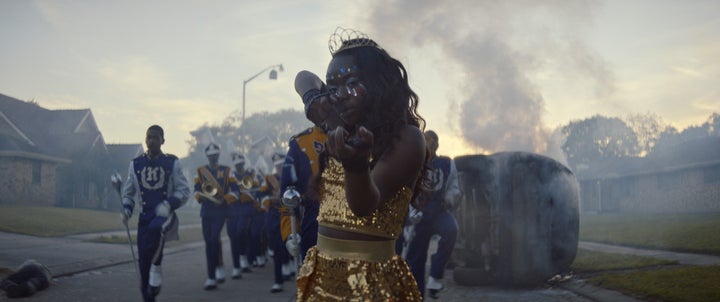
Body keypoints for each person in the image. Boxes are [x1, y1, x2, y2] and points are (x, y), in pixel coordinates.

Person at [295, 27, 427, 301]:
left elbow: (364, 205)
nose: (339, 94)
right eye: (333, 87)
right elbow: (303, 77)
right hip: (320, 280)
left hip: (370, 285)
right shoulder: (340, 124)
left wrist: (355, 167)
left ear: (379, 85)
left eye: (350, 83)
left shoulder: (408, 139)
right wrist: (313, 101)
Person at [121, 125, 190, 302]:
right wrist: (127, 209)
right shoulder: (135, 164)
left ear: (163, 141)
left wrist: (169, 204)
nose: (151, 141)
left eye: (156, 138)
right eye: (149, 137)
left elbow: (184, 191)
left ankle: (157, 267)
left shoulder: (171, 163)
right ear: (145, 139)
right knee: (143, 263)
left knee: (156, 228)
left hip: (164, 216)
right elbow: (128, 192)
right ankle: (148, 296)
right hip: (144, 217)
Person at [279, 70, 336, 263]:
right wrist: (289, 232)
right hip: (314, 222)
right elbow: (288, 194)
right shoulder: (300, 144)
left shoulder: (357, 135)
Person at [403, 130, 462, 299]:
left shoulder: (447, 163)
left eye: (434, 140)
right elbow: (405, 188)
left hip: (439, 211)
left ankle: (435, 278)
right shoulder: (413, 162)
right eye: (428, 140)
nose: (431, 143)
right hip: (419, 214)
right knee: (416, 258)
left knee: (451, 229)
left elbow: (453, 187)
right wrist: (411, 210)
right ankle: (416, 295)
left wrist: (450, 199)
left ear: (438, 144)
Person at [193, 143, 239, 290]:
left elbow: (236, 191)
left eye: (215, 155)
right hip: (206, 210)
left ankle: (211, 277)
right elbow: (196, 190)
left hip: (220, 211)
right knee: (209, 242)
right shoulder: (200, 171)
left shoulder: (227, 171)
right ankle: (217, 268)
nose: (213, 157)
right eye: (210, 155)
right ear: (207, 156)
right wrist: (201, 197)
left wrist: (225, 200)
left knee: (213, 239)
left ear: (218, 155)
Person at [258, 153, 295, 293]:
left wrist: (277, 198)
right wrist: (272, 199)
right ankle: (279, 279)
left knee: (288, 244)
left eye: (281, 164)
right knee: (276, 247)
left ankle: (285, 274)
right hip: (273, 216)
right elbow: (261, 196)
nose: (279, 167)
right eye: (277, 165)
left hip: (288, 215)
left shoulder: (292, 178)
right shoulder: (269, 179)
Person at [228, 153, 257, 276]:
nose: (239, 166)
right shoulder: (230, 175)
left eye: (241, 164)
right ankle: (237, 265)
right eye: (237, 164)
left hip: (246, 208)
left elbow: (254, 190)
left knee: (242, 232)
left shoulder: (251, 173)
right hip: (233, 209)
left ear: (244, 163)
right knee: (233, 236)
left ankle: (244, 258)